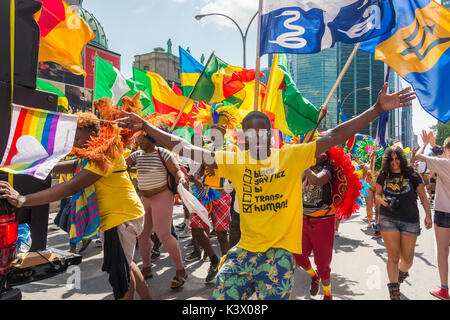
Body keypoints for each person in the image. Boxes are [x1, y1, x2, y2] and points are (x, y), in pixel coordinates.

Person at [117, 82, 416, 300]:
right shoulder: (234, 160)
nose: (258, 136)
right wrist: (146, 125)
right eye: (251, 132)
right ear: (244, 137)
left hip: (278, 256)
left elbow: (336, 134)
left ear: (270, 136)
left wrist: (376, 109)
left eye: (263, 131)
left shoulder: (290, 155)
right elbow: (187, 148)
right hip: (243, 253)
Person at [0, 112, 152, 300]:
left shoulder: (105, 152)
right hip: (120, 215)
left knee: (120, 276)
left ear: (93, 132)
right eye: (73, 139)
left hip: (119, 217)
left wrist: (23, 199)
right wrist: (42, 166)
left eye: (78, 137)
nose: (76, 143)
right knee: (126, 264)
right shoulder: (93, 152)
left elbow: (73, 185)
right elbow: (75, 165)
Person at [126, 133, 188, 289]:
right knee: (142, 235)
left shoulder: (163, 153)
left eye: (143, 139)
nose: (139, 142)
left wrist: (181, 178)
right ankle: (146, 269)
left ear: (152, 139)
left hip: (162, 196)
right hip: (144, 198)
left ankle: (181, 270)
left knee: (164, 235)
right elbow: (122, 165)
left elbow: (176, 171)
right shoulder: (136, 155)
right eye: (138, 139)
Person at [375, 145, 432, 300]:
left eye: (397, 159)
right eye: (391, 159)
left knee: (407, 260)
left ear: (401, 158)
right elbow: (377, 195)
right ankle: (394, 291)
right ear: (387, 160)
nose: (395, 162)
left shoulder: (413, 175)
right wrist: (383, 201)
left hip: (410, 220)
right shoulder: (383, 175)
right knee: (393, 256)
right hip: (388, 219)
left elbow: (424, 197)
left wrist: (428, 215)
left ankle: (401, 273)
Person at [295, 152, 336, 300]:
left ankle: (327, 295)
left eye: (316, 152)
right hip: (303, 219)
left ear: (324, 157)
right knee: (298, 256)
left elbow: (318, 181)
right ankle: (314, 276)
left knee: (323, 263)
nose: (311, 154)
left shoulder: (328, 168)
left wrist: (303, 165)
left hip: (324, 220)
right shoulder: (303, 168)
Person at [415, 131, 450, 300]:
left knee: (442, 252)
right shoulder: (443, 161)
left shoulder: (444, 164)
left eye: (444, 149)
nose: (442, 152)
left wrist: (426, 143)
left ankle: (444, 289)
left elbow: (418, 156)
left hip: (444, 211)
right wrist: (436, 147)